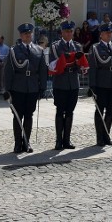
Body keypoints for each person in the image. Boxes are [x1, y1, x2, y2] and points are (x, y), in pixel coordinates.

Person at [3, 23, 47, 153]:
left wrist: (42, 87)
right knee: (17, 116)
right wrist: (8, 89)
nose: (28, 35)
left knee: (29, 115)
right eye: (25, 34)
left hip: (32, 87)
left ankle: (27, 142)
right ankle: (18, 143)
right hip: (18, 87)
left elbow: (43, 70)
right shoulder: (14, 50)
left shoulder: (39, 50)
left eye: (30, 33)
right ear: (21, 35)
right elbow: (9, 71)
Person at [49, 21, 88, 150]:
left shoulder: (77, 46)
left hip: (73, 83)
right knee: (60, 111)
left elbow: (80, 63)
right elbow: (56, 63)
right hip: (60, 82)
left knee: (70, 112)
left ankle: (67, 140)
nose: (69, 33)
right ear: (62, 32)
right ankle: (58, 140)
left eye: (71, 31)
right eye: (66, 31)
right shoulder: (56, 46)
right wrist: (72, 61)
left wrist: (72, 61)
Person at [88, 23, 112, 146]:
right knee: (100, 110)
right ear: (101, 34)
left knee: (110, 110)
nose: (109, 35)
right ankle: (99, 138)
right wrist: (92, 86)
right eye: (107, 33)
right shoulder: (95, 48)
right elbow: (92, 68)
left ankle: (106, 135)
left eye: (111, 33)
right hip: (101, 83)